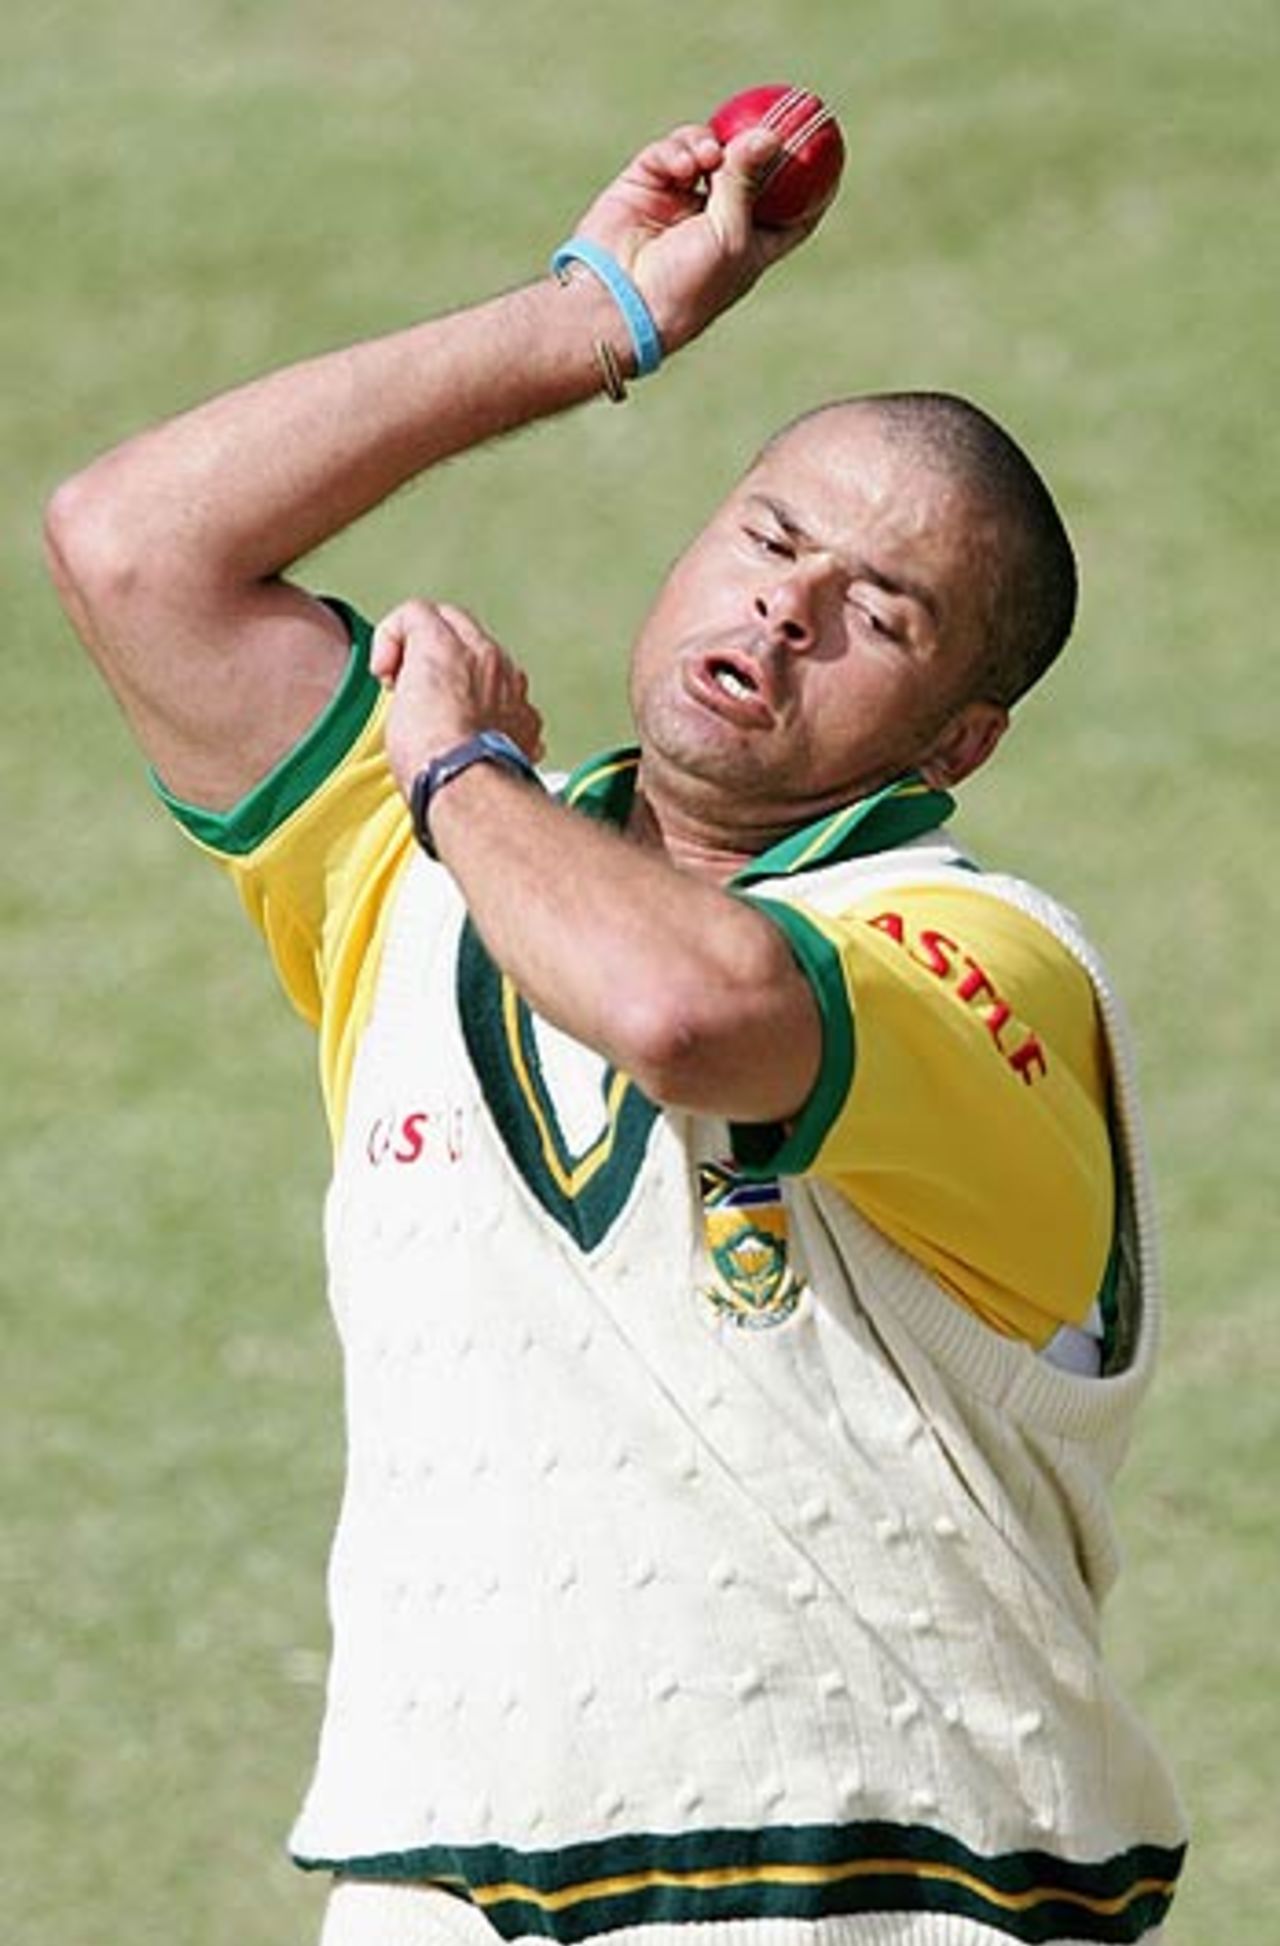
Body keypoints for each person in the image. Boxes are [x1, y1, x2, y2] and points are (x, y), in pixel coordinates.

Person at [46, 111, 1186, 1946]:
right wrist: (591, 321)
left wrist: (465, 770)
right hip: (440, 1894)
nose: (785, 608)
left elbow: (689, 1008)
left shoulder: (984, 952)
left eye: (876, 612)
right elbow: (129, 548)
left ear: (958, 738)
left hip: (873, 1900)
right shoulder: (422, 865)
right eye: (769, 537)